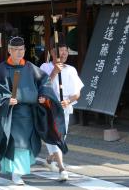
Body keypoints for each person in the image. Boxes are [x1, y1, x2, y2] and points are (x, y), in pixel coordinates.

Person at [0, 36, 67, 185]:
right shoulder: (2, 69)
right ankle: (16, 173)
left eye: (21, 49)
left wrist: (43, 96)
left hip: (29, 113)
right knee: (16, 143)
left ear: (25, 50)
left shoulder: (30, 67)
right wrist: (6, 99)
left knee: (27, 143)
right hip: (11, 113)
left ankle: (17, 171)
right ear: (9, 50)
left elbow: (44, 81)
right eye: (15, 50)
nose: (19, 52)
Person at [40, 36, 84, 181]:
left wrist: (68, 101)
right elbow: (42, 87)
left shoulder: (71, 70)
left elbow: (77, 93)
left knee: (61, 137)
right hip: (49, 107)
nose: (64, 54)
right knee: (54, 136)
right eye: (61, 51)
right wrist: (54, 72)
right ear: (53, 52)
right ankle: (62, 168)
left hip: (64, 108)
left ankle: (50, 158)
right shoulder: (45, 67)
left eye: (66, 51)